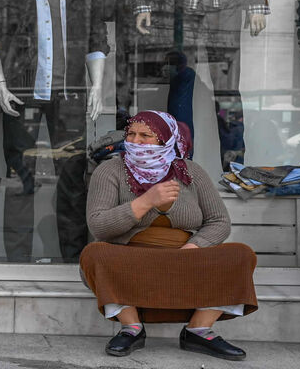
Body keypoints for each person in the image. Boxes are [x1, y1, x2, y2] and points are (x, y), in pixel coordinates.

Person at [80, 110, 257, 361]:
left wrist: (194, 248)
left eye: (145, 136)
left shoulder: (191, 172)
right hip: (132, 259)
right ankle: (131, 328)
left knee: (241, 254)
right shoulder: (110, 171)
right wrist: (145, 202)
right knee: (94, 254)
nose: (135, 141)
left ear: (166, 139)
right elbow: (98, 226)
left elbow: (219, 221)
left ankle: (199, 330)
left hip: (185, 257)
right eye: (131, 134)